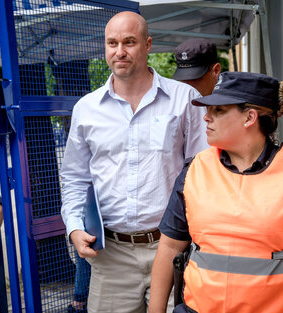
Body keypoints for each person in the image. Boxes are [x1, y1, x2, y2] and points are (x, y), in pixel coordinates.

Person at [149, 72, 283, 313]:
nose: (206, 117)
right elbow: (169, 247)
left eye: (218, 110)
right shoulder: (195, 170)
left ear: (249, 117)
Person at [60, 11, 208, 313]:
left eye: (129, 42)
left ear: (148, 44)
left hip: (173, 247)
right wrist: (74, 227)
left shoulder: (184, 99)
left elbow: (204, 172)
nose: (120, 52)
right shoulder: (86, 109)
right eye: (112, 43)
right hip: (111, 255)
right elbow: (74, 178)